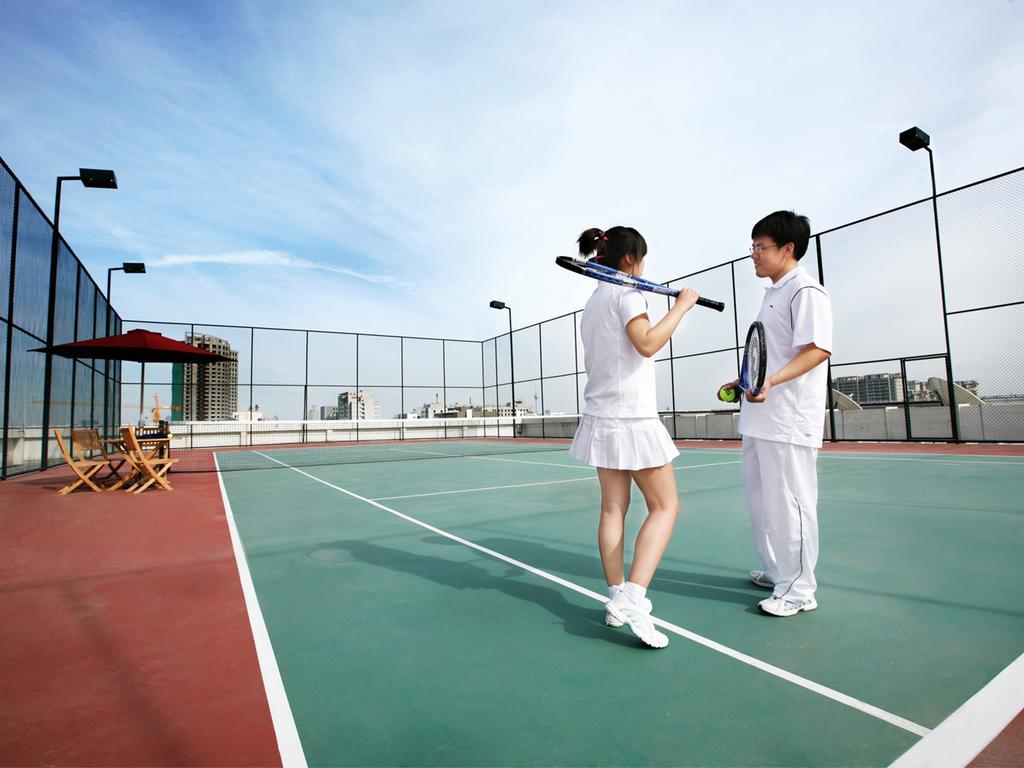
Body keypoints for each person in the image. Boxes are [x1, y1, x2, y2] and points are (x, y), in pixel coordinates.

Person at [569, 226, 700, 648]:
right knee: (665, 505)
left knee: (613, 510)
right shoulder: (628, 295)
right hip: (632, 416)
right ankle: (634, 596)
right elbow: (646, 343)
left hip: (603, 413)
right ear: (631, 261)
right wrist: (682, 306)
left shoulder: (593, 302)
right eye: (642, 260)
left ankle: (615, 596)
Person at [718, 210, 833, 617]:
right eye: (752, 247)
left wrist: (771, 382)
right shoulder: (773, 293)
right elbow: (770, 355)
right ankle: (777, 570)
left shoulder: (806, 291)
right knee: (762, 502)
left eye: (760, 247)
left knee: (791, 503)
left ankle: (799, 589)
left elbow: (817, 350)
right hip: (759, 420)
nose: (754, 255)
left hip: (788, 421)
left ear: (788, 249)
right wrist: (746, 379)